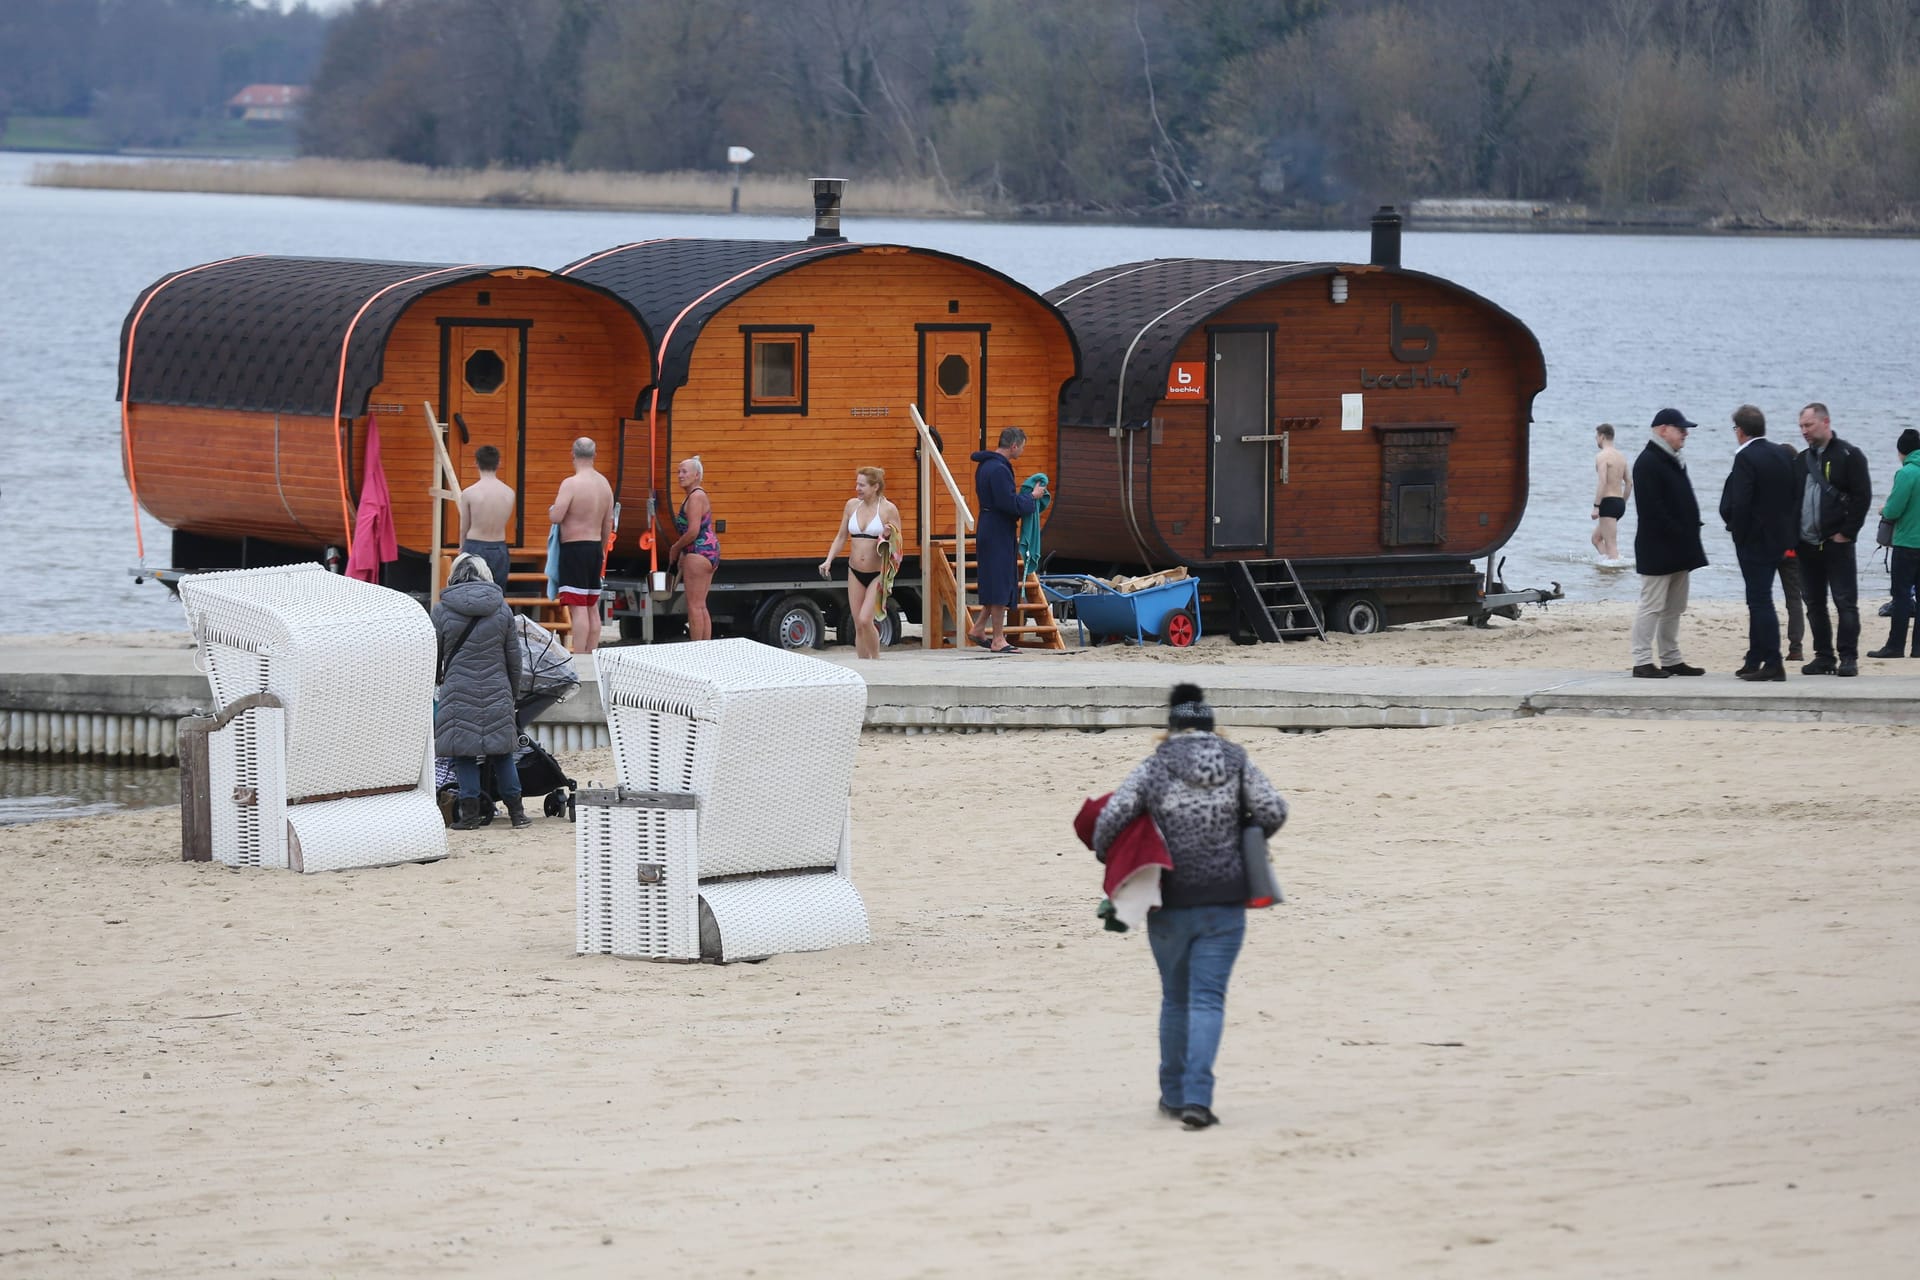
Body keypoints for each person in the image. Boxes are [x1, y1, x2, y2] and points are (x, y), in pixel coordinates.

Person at [1091, 683, 1288, 1131]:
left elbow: (1108, 823)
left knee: (1175, 1000)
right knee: (1207, 1001)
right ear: (1210, 723)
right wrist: (1244, 835)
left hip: (1169, 901)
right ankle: (1198, 1098)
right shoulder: (1237, 761)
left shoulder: (1154, 767)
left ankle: (1173, 1095)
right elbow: (1273, 810)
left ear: (1171, 724)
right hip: (1225, 899)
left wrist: (1119, 859)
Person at [432, 553, 529, 830]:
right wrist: (512, 693)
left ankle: (471, 817)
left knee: (463, 755)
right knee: (502, 753)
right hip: (497, 688)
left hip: (457, 691)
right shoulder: (501, 609)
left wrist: (439, 679)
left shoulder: (441, 610)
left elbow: (434, 655)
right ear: (485, 575)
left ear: (454, 575)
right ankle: (517, 814)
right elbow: (514, 658)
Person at [1718, 405, 1798, 681]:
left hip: (1754, 541)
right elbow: (1793, 496)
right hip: (1779, 539)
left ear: (1740, 431)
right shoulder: (1781, 453)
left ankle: (1774, 662)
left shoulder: (1745, 457)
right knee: (1758, 599)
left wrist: (1739, 534)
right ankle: (1754, 658)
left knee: (1760, 600)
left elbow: (1741, 502)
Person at [1793, 403, 1873, 677]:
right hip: (1806, 544)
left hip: (1837, 543)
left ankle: (1848, 657)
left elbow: (1863, 498)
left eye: (1808, 425)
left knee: (1845, 602)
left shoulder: (1849, 455)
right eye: (1801, 426)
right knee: (1814, 603)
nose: (1804, 431)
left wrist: (1847, 533)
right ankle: (1823, 656)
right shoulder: (1801, 460)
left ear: (1825, 422)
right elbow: (1792, 500)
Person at [1629, 408, 1708, 678]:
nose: (1685, 433)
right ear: (1663, 429)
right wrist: (1679, 532)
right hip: (1658, 548)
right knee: (1652, 605)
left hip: (1679, 547)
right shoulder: (1648, 461)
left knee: (1675, 607)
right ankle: (1641, 661)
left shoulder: (1673, 459)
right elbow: (1652, 510)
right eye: (1680, 428)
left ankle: (1671, 658)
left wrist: (1688, 533)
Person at [969, 427, 1047, 653]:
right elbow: (1008, 503)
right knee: (1001, 583)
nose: (1022, 451)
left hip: (989, 526)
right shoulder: (999, 469)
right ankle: (998, 639)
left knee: (996, 580)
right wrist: (1031, 497)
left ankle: (979, 628)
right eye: (1022, 446)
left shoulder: (986, 466)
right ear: (1014, 445)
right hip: (998, 530)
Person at [818, 466, 903, 659]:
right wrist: (829, 560)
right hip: (855, 570)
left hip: (877, 572)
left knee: (866, 620)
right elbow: (841, 537)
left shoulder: (888, 509)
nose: (857, 488)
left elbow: (898, 546)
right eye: (857, 484)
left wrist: (890, 536)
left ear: (875, 487)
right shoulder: (851, 506)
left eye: (862, 485)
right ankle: (864, 666)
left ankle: (876, 661)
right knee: (857, 624)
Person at [548, 437, 614, 654]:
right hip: (595, 547)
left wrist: (551, 510)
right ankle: (592, 655)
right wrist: (603, 549)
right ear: (595, 455)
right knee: (591, 605)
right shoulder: (604, 485)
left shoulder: (571, 484)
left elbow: (557, 516)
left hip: (574, 549)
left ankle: (580, 658)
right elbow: (608, 522)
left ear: (572, 454)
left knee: (578, 608)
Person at [1867, 428, 1920, 659]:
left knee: (1900, 596)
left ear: (1901, 451)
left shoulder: (1907, 473)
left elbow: (1895, 509)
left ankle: (1895, 646)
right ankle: (1918, 648)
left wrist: (1883, 509)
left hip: (1907, 543)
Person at [666, 455, 719, 642]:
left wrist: (675, 547)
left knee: (694, 606)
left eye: (684, 471)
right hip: (707, 552)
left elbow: (693, 531)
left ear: (696, 475)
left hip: (699, 552)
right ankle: (705, 647)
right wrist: (683, 552)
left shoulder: (696, 496)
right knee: (701, 605)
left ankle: (697, 649)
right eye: (678, 472)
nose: (680, 475)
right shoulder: (695, 495)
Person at [457, 444, 515, 590]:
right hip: (499, 547)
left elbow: (464, 526)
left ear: (476, 463)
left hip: (475, 546)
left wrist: (462, 547)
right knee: (497, 594)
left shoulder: (469, 493)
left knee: (471, 593)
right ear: (499, 463)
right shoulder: (509, 493)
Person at [1775, 440, 1807, 663]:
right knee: (1794, 599)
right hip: (1794, 549)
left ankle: (1764, 646)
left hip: (1771, 547)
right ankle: (1796, 647)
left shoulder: (1772, 484)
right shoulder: (1803, 484)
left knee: (1761, 598)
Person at [1590, 423, 1632, 563]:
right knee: (1596, 539)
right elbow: (1629, 483)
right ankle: (1608, 569)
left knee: (1611, 545)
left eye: (1597, 436)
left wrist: (1596, 506)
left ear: (1602, 436)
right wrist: (1622, 503)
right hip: (1619, 502)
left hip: (1607, 503)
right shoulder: (1621, 457)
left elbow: (1602, 482)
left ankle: (1614, 570)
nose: (1596, 440)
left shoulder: (1602, 456)